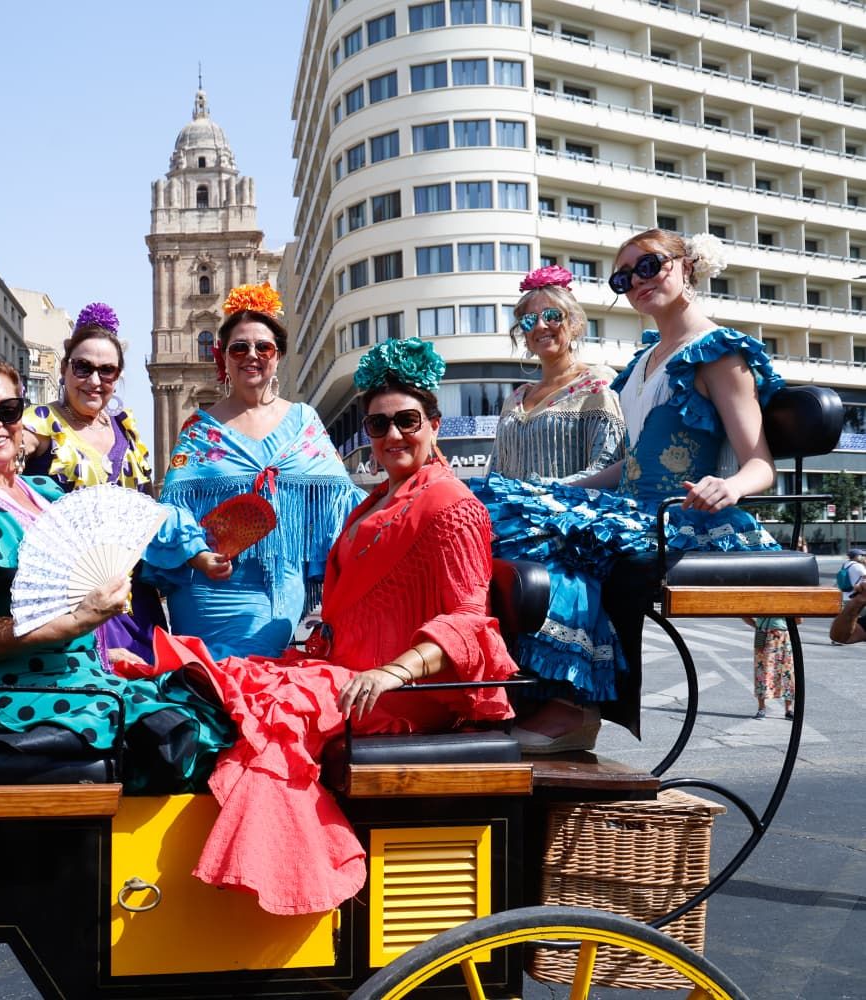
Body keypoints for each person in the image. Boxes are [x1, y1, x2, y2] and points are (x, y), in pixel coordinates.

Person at [137, 337, 518, 915]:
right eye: (378, 425)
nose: (392, 436)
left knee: (275, 710)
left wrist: (395, 671)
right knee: (244, 681)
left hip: (402, 692)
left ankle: (293, 878)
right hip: (352, 672)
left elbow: (471, 622)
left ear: (434, 423)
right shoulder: (374, 501)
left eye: (407, 421)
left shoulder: (450, 504)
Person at [482, 228, 783, 751]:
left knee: (544, 536)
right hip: (633, 507)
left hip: (682, 514)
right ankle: (520, 681)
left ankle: (575, 702)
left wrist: (728, 486)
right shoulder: (644, 363)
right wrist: (557, 489)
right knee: (495, 508)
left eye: (649, 265)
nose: (637, 282)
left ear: (686, 265)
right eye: (624, 277)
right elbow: (627, 466)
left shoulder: (717, 352)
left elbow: (760, 463)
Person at [0, 355, 232, 792]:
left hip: (56, 677)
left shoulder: (36, 493)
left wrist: (96, 651)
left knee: (211, 696)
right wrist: (78, 621)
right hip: (0, 694)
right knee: (181, 731)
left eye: (8, 410)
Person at [143, 284, 363, 658]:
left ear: (277, 357)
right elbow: (172, 507)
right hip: (207, 585)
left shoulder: (304, 420)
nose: (252, 355)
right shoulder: (199, 428)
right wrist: (198, 555)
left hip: (280, 583)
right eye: (239, 347)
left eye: (264, 347)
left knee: (258, 671)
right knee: (212, 684)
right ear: (223, 358)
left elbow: (342, 502)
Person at [19, 302, 165, 660]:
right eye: (83, 367)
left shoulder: (125, 432)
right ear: (66, 367)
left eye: (107, 371)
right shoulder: (39, 422)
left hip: (133, 600)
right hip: (67, 601)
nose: (95, 381)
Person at [485, 265, 624, 483]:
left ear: (574, 324)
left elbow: (608, 466)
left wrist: (541, 494)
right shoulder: (515, 398)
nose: (541, 326)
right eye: (530, 320)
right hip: (510, 515)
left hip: (572, 515)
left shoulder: (597, 382)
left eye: (552, 316)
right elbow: (495, 472)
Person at [745, 617, 795, 719]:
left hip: (772, 634)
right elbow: (799, 619)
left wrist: (757, 625)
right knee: (784, 671)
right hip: (777, 634)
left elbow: (799, 619)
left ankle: (763, 709)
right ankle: (787, 709)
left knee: (783, 671)